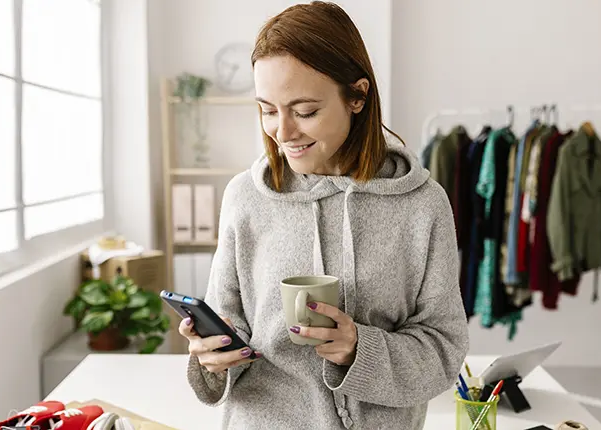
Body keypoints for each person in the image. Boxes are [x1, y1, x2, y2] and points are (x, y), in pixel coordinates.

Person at [178, 2, 469, 429]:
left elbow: (443, 350)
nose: (282, 131)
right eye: (268, 109)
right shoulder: (246, 198)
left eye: (305, 111)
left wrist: (358, 348)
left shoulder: (422, 204)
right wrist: (212, 358)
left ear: (357, 95)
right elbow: (230, 329)